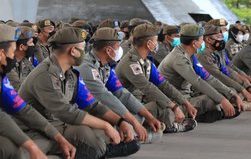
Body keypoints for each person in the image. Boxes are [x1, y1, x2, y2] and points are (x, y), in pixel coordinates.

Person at [18, 27, 140, 158]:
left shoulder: (70, 73)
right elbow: (66, 112)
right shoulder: (45, 75)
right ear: (73, 51)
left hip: (56, 124)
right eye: (82, 48)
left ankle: (98, 151)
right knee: (88, 136)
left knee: (95, 134)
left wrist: (120, 122)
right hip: (34, 130)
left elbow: (92, 105)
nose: (85, 52)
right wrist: (106, 125)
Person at [0, 24, 76, 159]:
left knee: (47, 140)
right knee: (9, 148)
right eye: (12, 51)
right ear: (1, 54)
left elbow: (23, 109)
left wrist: (58, 137)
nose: (14, 54)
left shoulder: (2, 79)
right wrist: (31, 146)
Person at [77, 27, 163, 144]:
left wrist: (149, 117)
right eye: (118, 47)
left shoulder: (105, 65)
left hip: (100, 110)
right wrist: (132, 122)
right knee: (111, 129)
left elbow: (121, 92)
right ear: (108, 50)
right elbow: (105, 96)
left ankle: (127, 134)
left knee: (138, 115)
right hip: (85, 113)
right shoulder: (87, 67)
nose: (120, 50)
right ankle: (124, 136)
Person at [115, 23, 197, 133]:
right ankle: (168, 126)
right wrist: (174, 107)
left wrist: (185, 102)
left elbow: (163, 84)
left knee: (165, 103)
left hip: (138, 105)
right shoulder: (130, 63)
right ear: (149, 44)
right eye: (155, 41)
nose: (157, 44)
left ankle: (162, 125)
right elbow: (148, 88)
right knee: (161, 105)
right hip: (126, 109)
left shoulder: (146, 62)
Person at [159, 24, 244, 123]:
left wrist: (231, 95)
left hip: (187, 95)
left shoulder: (190, 55)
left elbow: (208, 77)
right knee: (211, 100)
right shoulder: (178, 58)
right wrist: (222, 100)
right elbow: (197, 81)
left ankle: (209, 113)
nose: (203, 42)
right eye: (202, 40)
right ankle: (195, 114)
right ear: (195, 43)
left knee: (224, 93)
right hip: (176, 100)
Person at [6, 26, 36, 91]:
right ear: (21, 47)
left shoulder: (25, 61)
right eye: (31, 42)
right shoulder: (7, 65)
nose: (33, 45)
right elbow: (19, 89)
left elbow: (37, 79)